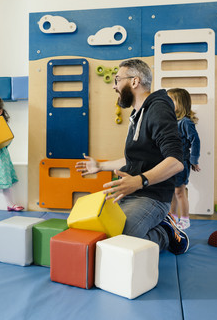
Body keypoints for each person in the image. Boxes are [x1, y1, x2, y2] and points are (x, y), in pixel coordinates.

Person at [75, 59, 190, 255]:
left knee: (120, 241)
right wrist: (100, 166)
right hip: (130, 191)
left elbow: (176, 162)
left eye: (117, 79)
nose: (114, 86)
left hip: (152, 196)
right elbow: (134, 160)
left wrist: (140, 181)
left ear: (135, 81)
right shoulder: (138, 114)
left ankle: (165, 232)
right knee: (99, 232)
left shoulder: (158, 109)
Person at [167, 88, 201, 230]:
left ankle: (185, 218)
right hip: (170, 162)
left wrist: (193, 160)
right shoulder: (170, 120)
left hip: (181, 163)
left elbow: (196, 141)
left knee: (180, 191)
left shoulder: (185, 122)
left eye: (171, 100)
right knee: (172, 191)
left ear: (180, 103)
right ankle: (173, 215)